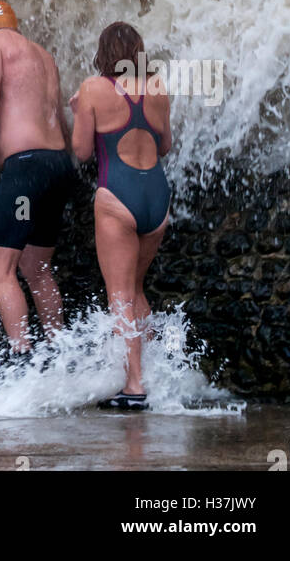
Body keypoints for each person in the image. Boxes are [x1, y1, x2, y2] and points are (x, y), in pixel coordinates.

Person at [70, 21, 171, 410]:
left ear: (103, 53)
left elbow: (80, 152)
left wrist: (79, 112)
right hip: (157, 198)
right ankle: (147, 375)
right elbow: (166, 145)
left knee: (119, 296)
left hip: (118, 195)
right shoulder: (158, 87)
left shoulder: (93, 89)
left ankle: (134, 387)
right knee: (137, 290)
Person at [0, 0, 76, 361]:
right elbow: (57, 116)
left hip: (26, 170)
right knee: (37, 268)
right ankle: (59, 357)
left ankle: (22, 361)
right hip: (57, 165)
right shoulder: (44, 55)